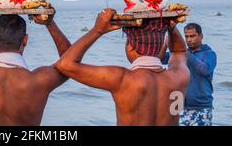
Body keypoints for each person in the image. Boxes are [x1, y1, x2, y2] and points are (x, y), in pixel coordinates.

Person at [55, 9, 190, 126]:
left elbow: (65, 64)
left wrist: (97, 30)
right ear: (161, 46)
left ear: (130, 47)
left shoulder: (122, 79)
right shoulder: (179, 77)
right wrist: (170, 26)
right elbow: (179, 51)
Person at [160, 23, 217, 126]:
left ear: (201, 36)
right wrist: (165, 44)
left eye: (192, 36)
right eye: (186, 36)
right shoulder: (180, 54)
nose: (189, 40)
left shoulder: (209, 54)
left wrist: (185, 53)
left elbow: (204, 70)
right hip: (178, 106)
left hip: (201, 107)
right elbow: (160, 58)